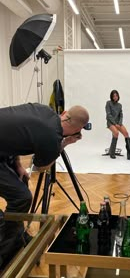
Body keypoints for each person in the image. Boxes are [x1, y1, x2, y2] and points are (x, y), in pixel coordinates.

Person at [0, 102, 89, 268]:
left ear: (63, 113)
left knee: (22, 181)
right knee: (21, 197)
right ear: (79, 129)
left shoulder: (43, 110)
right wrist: (65, 143)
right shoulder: (51, 136)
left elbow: (14, 133)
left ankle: (16, 236)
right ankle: (5, 251)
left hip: (3, 147)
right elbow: (41, 167)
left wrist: (17, 165)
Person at [105, 90, 130, 160]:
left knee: (126, 134)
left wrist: (120, 123)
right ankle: (112, 153)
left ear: (118, 96)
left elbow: (121, 115)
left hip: (118, 123)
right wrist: (115, 124)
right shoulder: (108, 103)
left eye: (116, 96)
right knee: (116, 133)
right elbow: (108, 115)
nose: (115, 97)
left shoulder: (119, 105)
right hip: (110, 122)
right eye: (113, 96)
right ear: (111, 97)